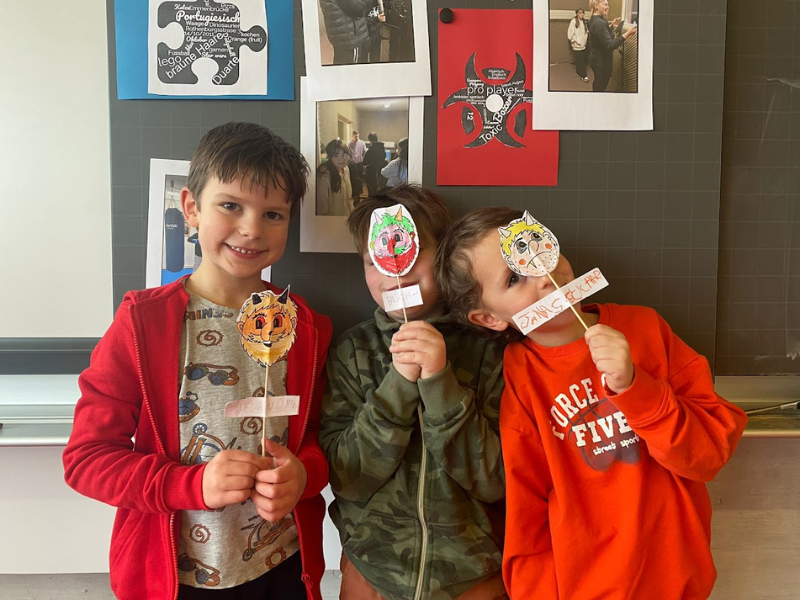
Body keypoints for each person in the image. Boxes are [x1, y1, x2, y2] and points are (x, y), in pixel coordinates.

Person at [62, 122, 333, 600]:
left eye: (273, 214)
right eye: (230, 206)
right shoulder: (141, 323)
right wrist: (190, 485)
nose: (251, 229)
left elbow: (316, 437)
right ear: (190, 208)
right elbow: (87, 459)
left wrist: (305, 475)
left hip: (283, 567)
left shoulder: (306, 327)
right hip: (175, 577)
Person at [436, 206, 748, 600]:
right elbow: (527, 511)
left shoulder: (645, 329)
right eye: (514, 278)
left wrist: (636, 388)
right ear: (488, 319)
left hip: (677, 581)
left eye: (539, 248)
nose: (544, 276)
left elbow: (709, 455)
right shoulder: (520, 377)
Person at [320, 186, 508, 600]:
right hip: (372, 576)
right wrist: (398, 385)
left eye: (410, 251)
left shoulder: (491, 349)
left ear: (445, 256)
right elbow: (347, 478)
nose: (394, 270)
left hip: (476, 578)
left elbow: (497, 480)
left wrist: (440, 382)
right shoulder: (353, 351)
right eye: (374, 259)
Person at [588, 0, 637, 92]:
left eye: (608, 5)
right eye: (605, 5)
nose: (608, 7)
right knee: (600, 85)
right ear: (596, 5)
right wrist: (628, 33)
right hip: (601, 61)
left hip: (596, 57)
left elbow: (600, 35)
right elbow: (609, 45)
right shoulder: (599, 23)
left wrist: (610, 26)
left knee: (598, 81)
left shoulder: (595, 19)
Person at [320, 0, 370, 65]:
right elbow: (360, 9)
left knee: (340, 65)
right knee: (352, 68)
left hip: (340, 36)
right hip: (350, 38)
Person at [317, 139, 353, 216]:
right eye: (336, 155)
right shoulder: (324, 177)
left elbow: (349, 199)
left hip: (346, 218)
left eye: (344, 155)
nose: (341, 159)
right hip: (332, 221)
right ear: (330, 157)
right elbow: (322, 210)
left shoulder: (346, 169)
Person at [567, 8, 589, 82]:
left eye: (583, 13)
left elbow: (586, 32)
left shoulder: (584, 22)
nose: (582, 14)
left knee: (581, 60)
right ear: (577, 14)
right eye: (580, 13)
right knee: (581, 60)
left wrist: (584, 40)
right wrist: (575, 41)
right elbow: (570, 34)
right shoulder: (573, 21)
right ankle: (583, 75)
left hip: (583, 45)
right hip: (577, 45)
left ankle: (578, 71)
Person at [362, 132, 387, 196]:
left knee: (372, 192)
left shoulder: (370, 150)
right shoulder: (382, 148)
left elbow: (365, 162)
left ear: (370, 140)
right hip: (381, 172)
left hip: (371, 173)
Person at [347, 131, 367, 203]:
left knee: (360, 179)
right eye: (355, 137)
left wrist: (363, 162)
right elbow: (348, 155)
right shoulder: (349, 144)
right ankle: (355, 194)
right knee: (354, 179)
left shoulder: (362, 143)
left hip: (360, 163)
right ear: (352, 136)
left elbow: (365, 152)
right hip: (352, 165)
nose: (357, 138)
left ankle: (360, 191)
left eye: (358, 136)